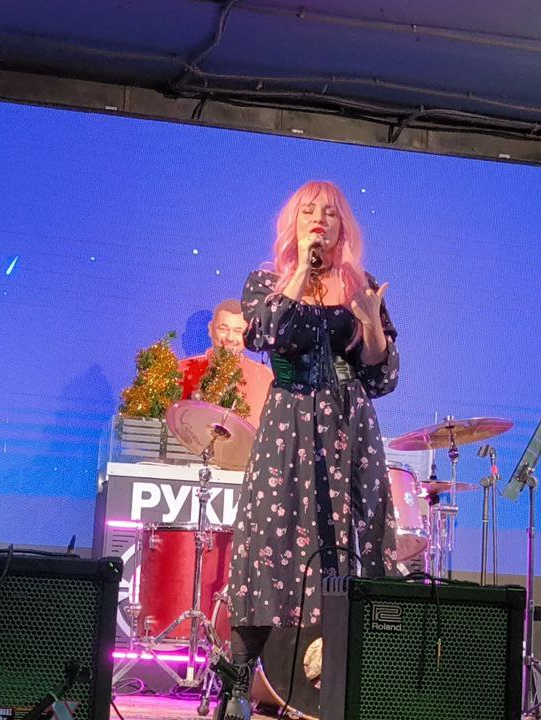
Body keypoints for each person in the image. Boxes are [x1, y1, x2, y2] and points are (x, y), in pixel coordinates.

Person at [217, 180, 400, 715]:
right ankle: (242, 684)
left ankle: (353, 681)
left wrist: (371, 326)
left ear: (344, 227)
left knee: (353, 540)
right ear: (293, 224)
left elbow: (382, 376)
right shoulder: (266, 281)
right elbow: (264, 334)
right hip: (289, 425)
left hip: (349, 427)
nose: (320, 220)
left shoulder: (362, 286)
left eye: (330, 213)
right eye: (308, 212)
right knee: (268, 541)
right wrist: (299, 269)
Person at [177, 299, 274, 425]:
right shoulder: (180, 371)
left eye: (238, 331)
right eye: (223, 329)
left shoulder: (265, 378)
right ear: (210, 329)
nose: (230, 338)